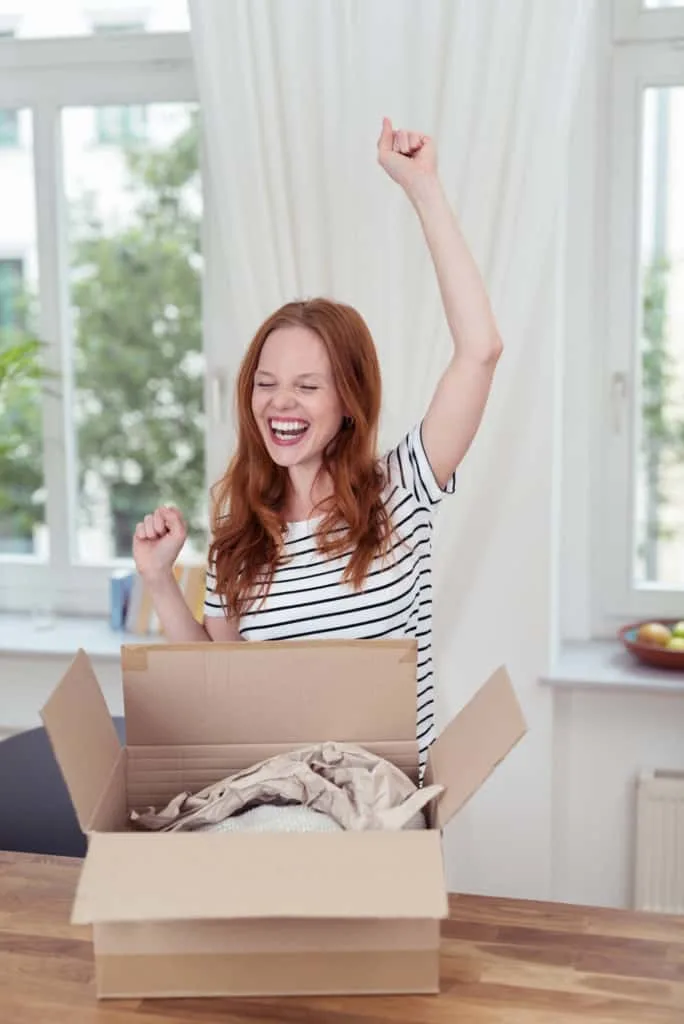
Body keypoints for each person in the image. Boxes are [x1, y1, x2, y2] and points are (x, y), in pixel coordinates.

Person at [132, 118, 502, 769]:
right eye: (267, 383)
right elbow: (216, 688)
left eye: (307, 386)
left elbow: (480, 350)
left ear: (347, 401)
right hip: (276, 802)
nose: (280, 403)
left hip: (380, 804)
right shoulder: (237, 540)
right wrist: (159, 581)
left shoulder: (399, 493)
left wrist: (424, 190)